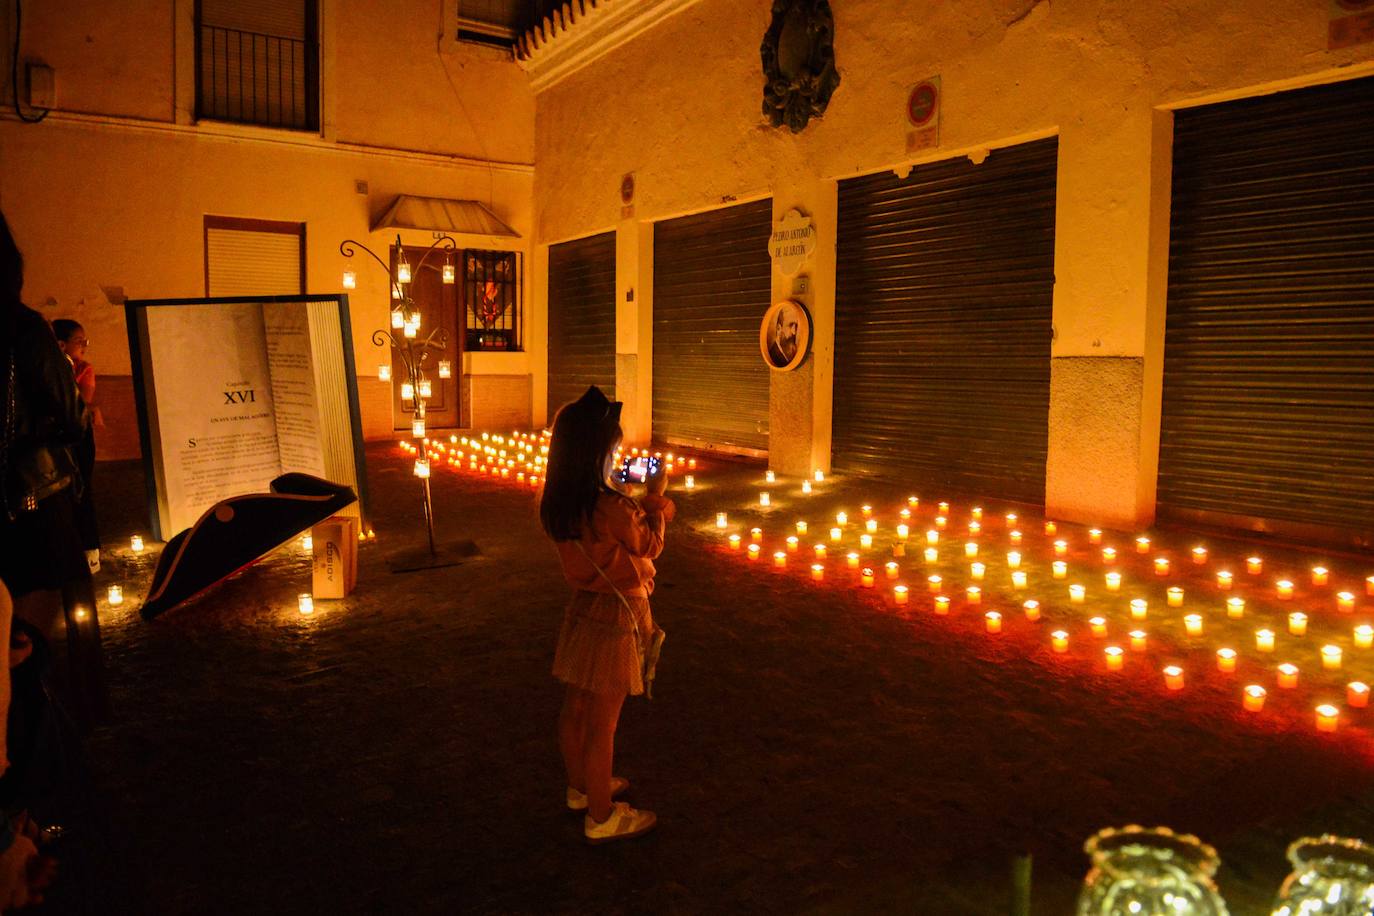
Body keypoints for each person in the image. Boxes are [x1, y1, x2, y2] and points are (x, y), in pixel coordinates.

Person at [539, 385, 672, 844]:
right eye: (613, 448)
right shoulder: (614, 507)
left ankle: (581, 787)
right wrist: (655, 501)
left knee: (575, 707)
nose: (619, 455)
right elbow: (649, 545)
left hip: (584, 610)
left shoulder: (559, 502)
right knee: (604, 723)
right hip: (618, 614)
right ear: (597, 452)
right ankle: (602, 815)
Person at [0, 212, 106, 732]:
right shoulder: (23, 329)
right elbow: (70, 419)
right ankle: (28, 762)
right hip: (28, 502)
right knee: (29, 645)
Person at [51, 320, 101, 574]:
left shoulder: (83, 368)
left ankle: (90, 553)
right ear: (61, 344)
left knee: (82, 490)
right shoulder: (47, 369)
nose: (84, 346)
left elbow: (81, 402)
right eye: (79, 341)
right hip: (54, 441)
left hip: (79, 438)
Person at [767, 301, 802, 368]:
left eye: (796, 326)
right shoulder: (773, 356)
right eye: (790, 325)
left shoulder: (792, 354)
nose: (794, 332)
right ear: (778, 328)